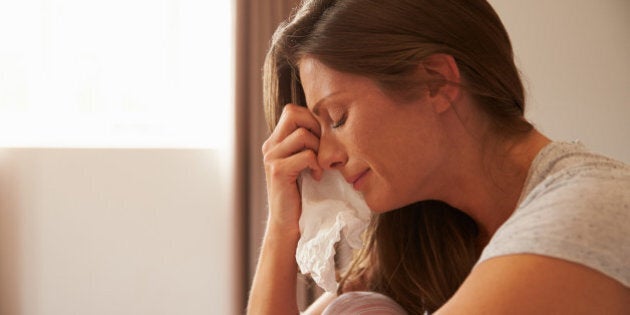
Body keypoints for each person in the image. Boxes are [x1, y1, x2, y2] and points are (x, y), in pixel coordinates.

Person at [247, 0, 630, 314]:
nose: (324, 156)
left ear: (436, 81)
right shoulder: (424, 246)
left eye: (338, 118)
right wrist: (283, 225)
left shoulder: (584, 212)